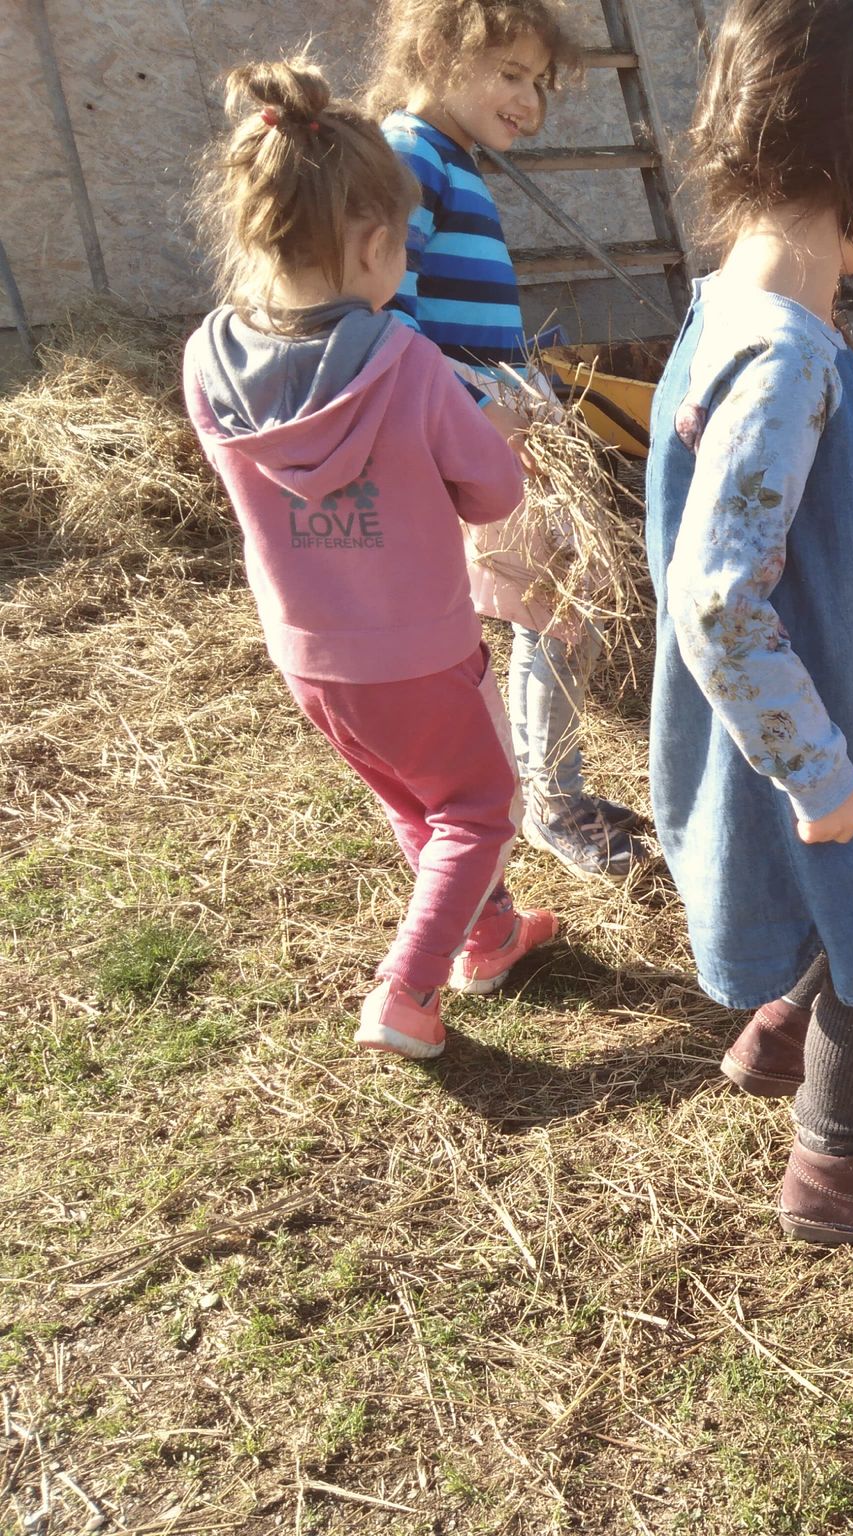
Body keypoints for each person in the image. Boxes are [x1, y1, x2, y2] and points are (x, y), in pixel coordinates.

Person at [645, 0, 853, 1250]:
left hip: (809, 701)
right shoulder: (785, 355)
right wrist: (821, 770)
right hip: (826, 724)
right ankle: (834, 1166)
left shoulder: (724, 303)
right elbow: (720, 598)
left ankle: (778, 1023)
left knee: (821, 885)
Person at [184, 59, 558, 1060]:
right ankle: (407, 989)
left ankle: (486, 932)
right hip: (422, 653)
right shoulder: (408, 364)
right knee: (477, 808)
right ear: (368, 241)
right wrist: (507, 425)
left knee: (413, 798)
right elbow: (495, 493)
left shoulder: (205, 359)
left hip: (310, 657)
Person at [369, 0, 646, 878]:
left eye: (540, 84)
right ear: (437, 51)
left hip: (493, 414)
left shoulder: (445, 159)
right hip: (473, 426)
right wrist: (470, 413)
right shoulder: (412, 155)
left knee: (564, 603)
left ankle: (540, 787)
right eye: (511, 75)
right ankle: (551, 802)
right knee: (563, 604)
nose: (530, 102)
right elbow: (384, 312)